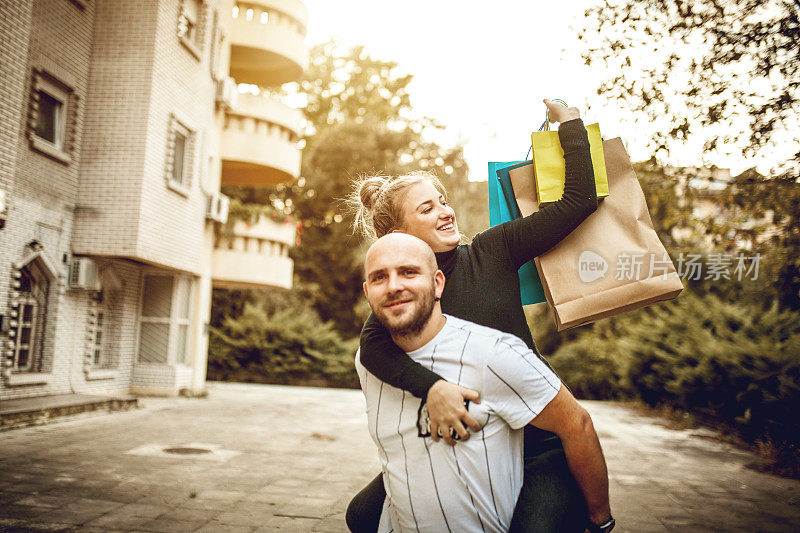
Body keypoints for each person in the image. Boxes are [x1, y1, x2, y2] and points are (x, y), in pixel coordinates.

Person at [347, 100, 604, 532]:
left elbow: (581, 199)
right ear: (399, 236)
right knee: (362, 515)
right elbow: (372, 349)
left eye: (442, 201)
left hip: (534, 439)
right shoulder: (406, 291)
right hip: (472, 437)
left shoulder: (491, 250)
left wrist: (571, 126)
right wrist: (434, 390)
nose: (446, 211)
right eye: (426, 209)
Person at [357, 233, 613, 532]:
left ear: (438, 282)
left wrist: (600, 522)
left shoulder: (494, 353)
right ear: (367, 292)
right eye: (379, 278)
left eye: (408, 272)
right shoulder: (367, 361)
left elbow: (577, 424)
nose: (394, 286)